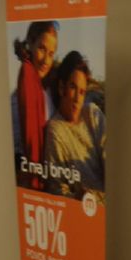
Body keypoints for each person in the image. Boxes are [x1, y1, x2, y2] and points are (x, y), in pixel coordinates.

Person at [44, 50, 106, 201]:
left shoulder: (92, 114)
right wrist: (76, 197)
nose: (78, 99)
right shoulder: (56, 130)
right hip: (85, 209)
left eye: (82, 92)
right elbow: (56, 188)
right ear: (61, 88)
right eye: (73, 87)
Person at [10, 20, 58, 189]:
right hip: (32, 180)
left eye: (51, 54)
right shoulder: (26, 79)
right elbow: (26, 144)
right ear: (30, 42)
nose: (46, 60)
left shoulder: (46, 90)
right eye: (42, 49)